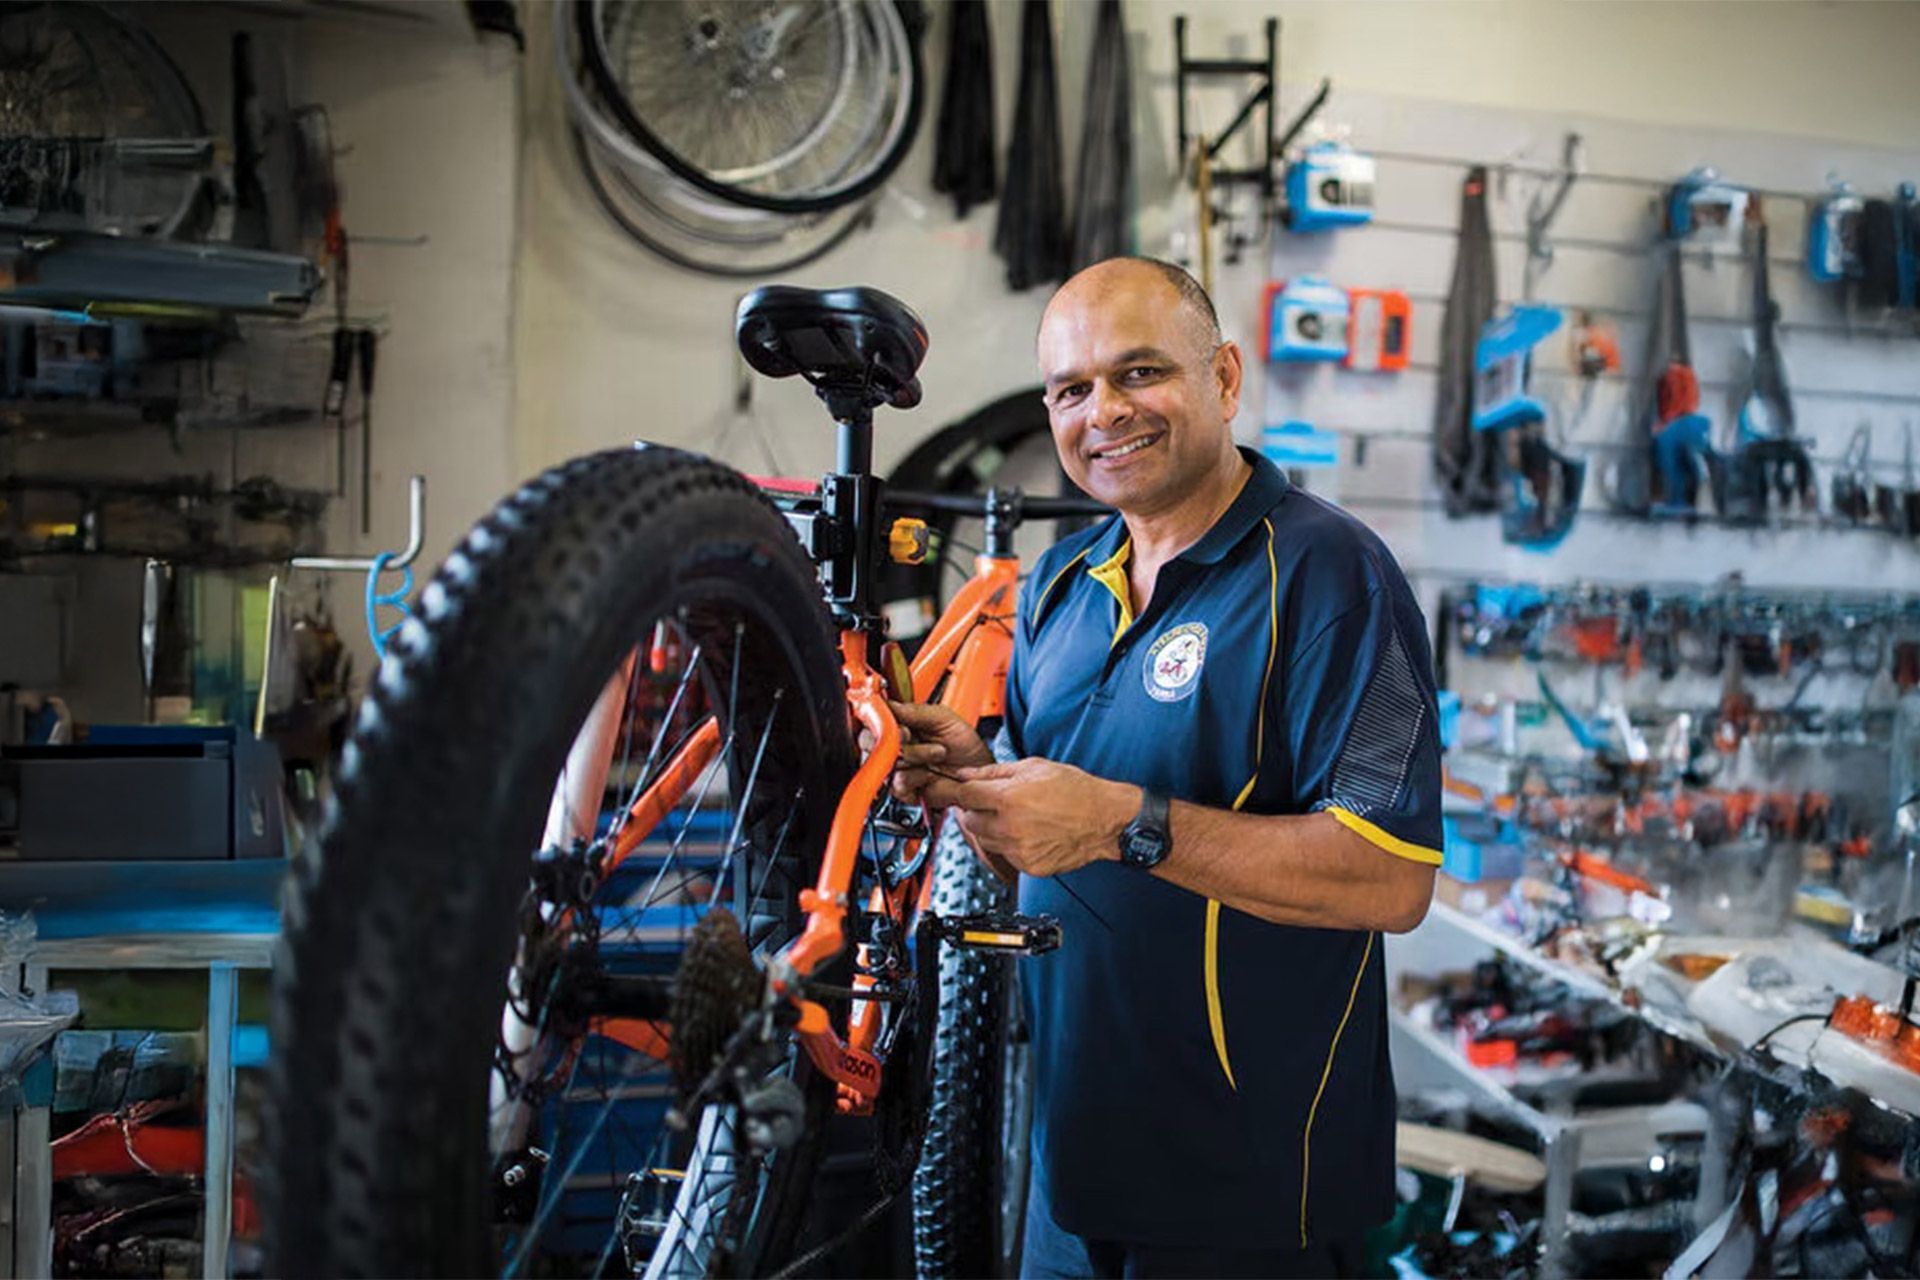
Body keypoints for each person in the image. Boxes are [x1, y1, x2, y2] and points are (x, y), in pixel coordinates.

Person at [892, 257, 1442, 1278]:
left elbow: (1391, 874)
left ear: (1225, 379)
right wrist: (982, 786)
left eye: (1139, 373)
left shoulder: (1332, 575)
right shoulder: (1060, 585)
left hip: (1245, 1197)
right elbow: (1043, 860)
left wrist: (1117, 821)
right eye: (1070, 388)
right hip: (1068, 1177)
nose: (1102, 411)